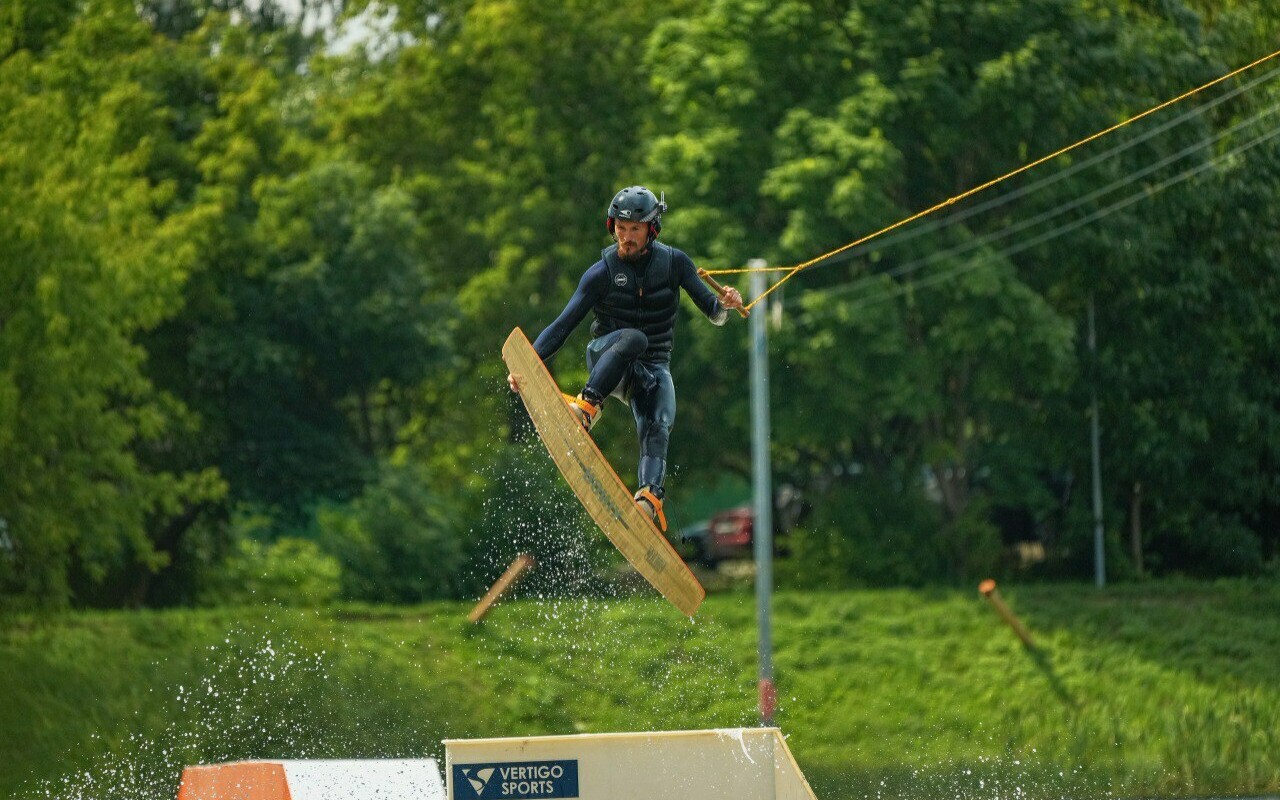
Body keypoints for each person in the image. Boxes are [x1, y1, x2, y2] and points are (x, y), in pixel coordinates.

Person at [508, 186, 746, 532]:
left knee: (660, 421)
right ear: (612, 226)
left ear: (652, 229)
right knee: (634, 337)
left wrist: (725, 304)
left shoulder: (676, 263)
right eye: (621, 227)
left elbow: (713, 311)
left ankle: (648, 500)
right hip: (609, 359)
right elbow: (563, 325)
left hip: (652, 369)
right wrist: (527, 367)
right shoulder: (601, 272)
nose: (626, 236)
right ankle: (586, 410)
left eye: (634, 229)